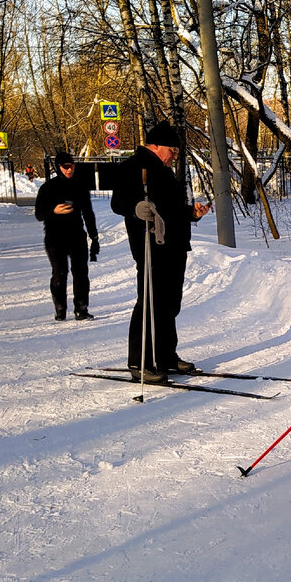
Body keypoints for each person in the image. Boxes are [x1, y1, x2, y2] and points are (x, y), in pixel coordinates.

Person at [110, 119, 210, 385]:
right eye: (172, 150)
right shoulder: (132, 168)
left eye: (176, 151)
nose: (174, 155)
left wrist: (192, 213)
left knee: (169, 304)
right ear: (154, 146)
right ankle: (139, 363)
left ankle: (165, 356)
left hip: (175, 245)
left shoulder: (164, 171)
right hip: (150, 245)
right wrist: (134, 208)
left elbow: (172, 208)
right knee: (150, 303)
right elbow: (117, 202)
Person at [34, 151, 99, 321]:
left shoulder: (80, 186)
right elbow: (39, 214)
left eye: (72, 166)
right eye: (66, 167)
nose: (70, 170)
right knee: (59, 272)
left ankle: (81, 309)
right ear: (58, 167)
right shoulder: (48, 188)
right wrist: (53, 211)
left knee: (81, 273)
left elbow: (88, 212)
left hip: (76, 235)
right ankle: (60, 308)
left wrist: (94, 236)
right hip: (55, 237)